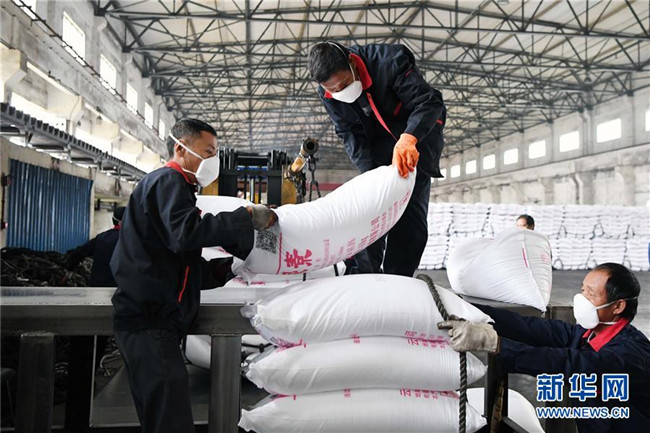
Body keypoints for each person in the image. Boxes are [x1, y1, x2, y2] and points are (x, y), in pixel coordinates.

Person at [110, 118, 277, 433]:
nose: (213, 159)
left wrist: (230, 267)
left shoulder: (172, 188)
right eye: (208, 151)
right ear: (181, 148)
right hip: (150, 323)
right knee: (170, 423)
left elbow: (181, 265)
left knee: (162, 419)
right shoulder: (169, 181)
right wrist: (243, 217)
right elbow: (186, 235)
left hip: (152, 322)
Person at [439, 263, 649, 433]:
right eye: (582, 290)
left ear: (618, 306)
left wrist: (495, 344)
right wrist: (468, 309)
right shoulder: (587, 335)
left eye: (591, 294)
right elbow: (530, 328)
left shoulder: (630, 354)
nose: (582, 299)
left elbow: (568, 363)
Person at [308, 41, 446, 277]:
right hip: (376, 146)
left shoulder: (390, 62)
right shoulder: (328, 93)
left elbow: (428, 101)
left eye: (345, 84)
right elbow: (347, 130)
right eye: (334, 89)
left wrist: (409, 138)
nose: (341, 91)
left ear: (352, 63)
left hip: (414, 138)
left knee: (409, 214)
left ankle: (398, 278)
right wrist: (368, 172)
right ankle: (363, 275)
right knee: (369, 211)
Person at [67, 206, 125, 287]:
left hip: (97, 287)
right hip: (122, 288)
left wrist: (69, 268)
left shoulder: (101, 238)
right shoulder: (133, 240)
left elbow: (78, 253)